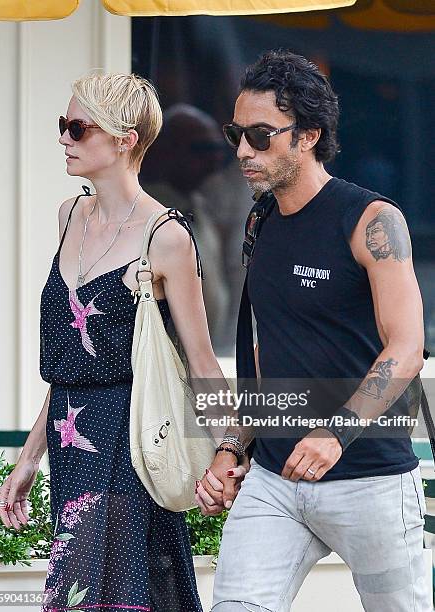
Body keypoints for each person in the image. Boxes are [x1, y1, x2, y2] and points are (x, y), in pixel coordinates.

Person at [195, 50, 431, 611]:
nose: (242, 151)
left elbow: (407, 347)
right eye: (236, 133)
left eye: (260, 135)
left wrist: (335, 433)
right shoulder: (261, 219)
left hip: (369, 475)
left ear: (308, 136)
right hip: (274, 481)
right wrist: (234, 446)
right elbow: (261, 351)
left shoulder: (372, 220)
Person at [0, 72, 236, 612]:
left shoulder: (167, 237)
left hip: (131, 442)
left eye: (77, 128)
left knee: (112, 598)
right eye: (64, 126)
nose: (63, 138)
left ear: (125, 140)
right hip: (70, 442)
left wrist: (229, 449)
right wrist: (29, 458)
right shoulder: (69, 216)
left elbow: (201, 361)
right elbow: (71, 366)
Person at [141, 103, 230, 351]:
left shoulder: (198, 205)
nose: (215, 158)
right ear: (164, 152)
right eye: (202, 148)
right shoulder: (147, 215)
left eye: (218, 148)